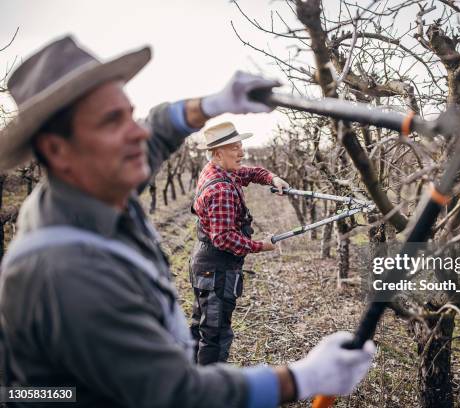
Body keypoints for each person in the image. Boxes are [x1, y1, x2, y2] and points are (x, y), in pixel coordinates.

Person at [0, 36, 375, 408]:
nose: (139, 132)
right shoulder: (67, 275)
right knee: (213, 335)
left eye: (131, 114)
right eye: (112, 121)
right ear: (55, 149)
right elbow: (177, 394)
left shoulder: (90, 182)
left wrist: (213, 104)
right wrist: (301, 378)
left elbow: (160, 129)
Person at [190, 121, 289, 365]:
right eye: (235, 147)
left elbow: (251, 172)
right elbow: (223, 238)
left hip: (204, 264)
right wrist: (260, 246)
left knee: (200, 327)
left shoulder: (217, 170)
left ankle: (188, 381)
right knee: (216, 335)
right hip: (217, 270)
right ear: (217, 153)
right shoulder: (221, 189)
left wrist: (273, 178)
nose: (241, 152)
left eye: (241, 145)